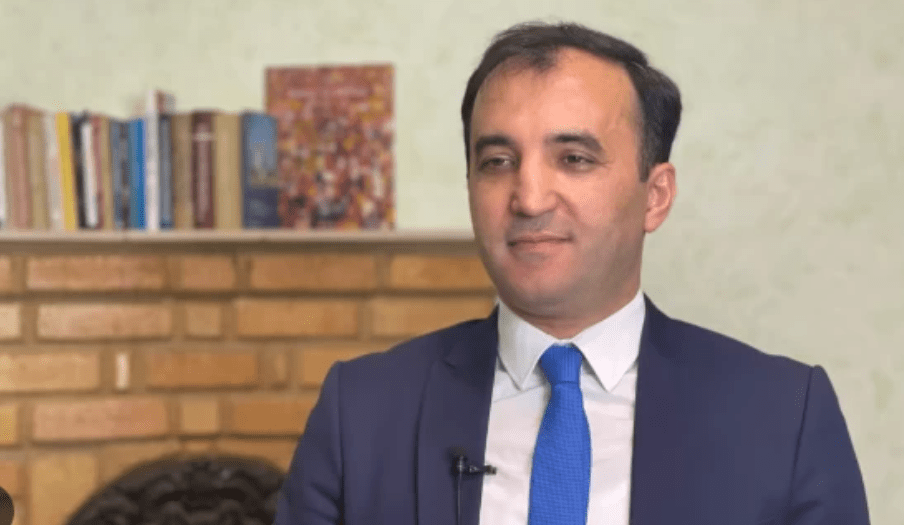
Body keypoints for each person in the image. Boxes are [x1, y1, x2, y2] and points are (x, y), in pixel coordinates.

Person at [273, 21, 870, 525]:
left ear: (655, 196)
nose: (529, 198)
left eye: (574, 159)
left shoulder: (784, 416)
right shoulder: (363, 412)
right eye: (497, 161)